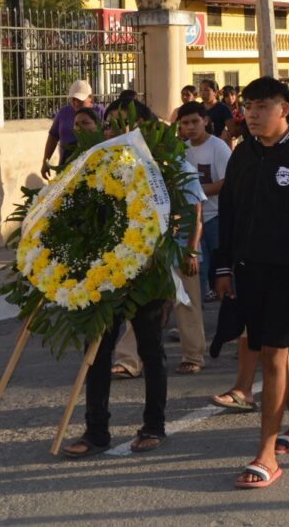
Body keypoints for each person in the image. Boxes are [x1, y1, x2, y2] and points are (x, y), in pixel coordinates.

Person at [215, 76, 289, 489]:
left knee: (272, 354)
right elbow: (229, 213)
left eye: (262, 106)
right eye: (248, 106)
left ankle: (266, 453)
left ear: (285, 109)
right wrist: (223, 267)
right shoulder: (242, 154)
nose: (252, 114)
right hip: (248, 270)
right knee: (270, 346)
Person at [64, 103, 184, 457]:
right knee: (96, 354)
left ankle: (154, 425)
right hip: (104, 274)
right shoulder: (92, 167)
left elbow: (170, 220)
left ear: (141, 127)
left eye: (121, 126)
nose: (110, 133)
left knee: (150, 351)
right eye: (107, 126)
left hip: (147, 277)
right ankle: (95, 430)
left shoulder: (158, 168)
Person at [178, 102, 232, 305]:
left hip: (215, 217)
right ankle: (195, 321)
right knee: (195, 271)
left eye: (195, 121)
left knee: (222, 271)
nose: (190, 127)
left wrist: (195, 193)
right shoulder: (181, 150)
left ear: (206, 121)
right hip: (191, 220)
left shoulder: (218, 147)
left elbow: (227, 183)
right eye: (185, 123)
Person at [41, 80, 102, 178]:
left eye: (79, 99)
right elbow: (53, 137)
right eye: (73, 99)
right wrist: (45, 161)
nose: (76, 102)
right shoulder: (63, 113)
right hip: (66, 166)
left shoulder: (101, 112)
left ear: (90, 97)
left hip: (94, 167)